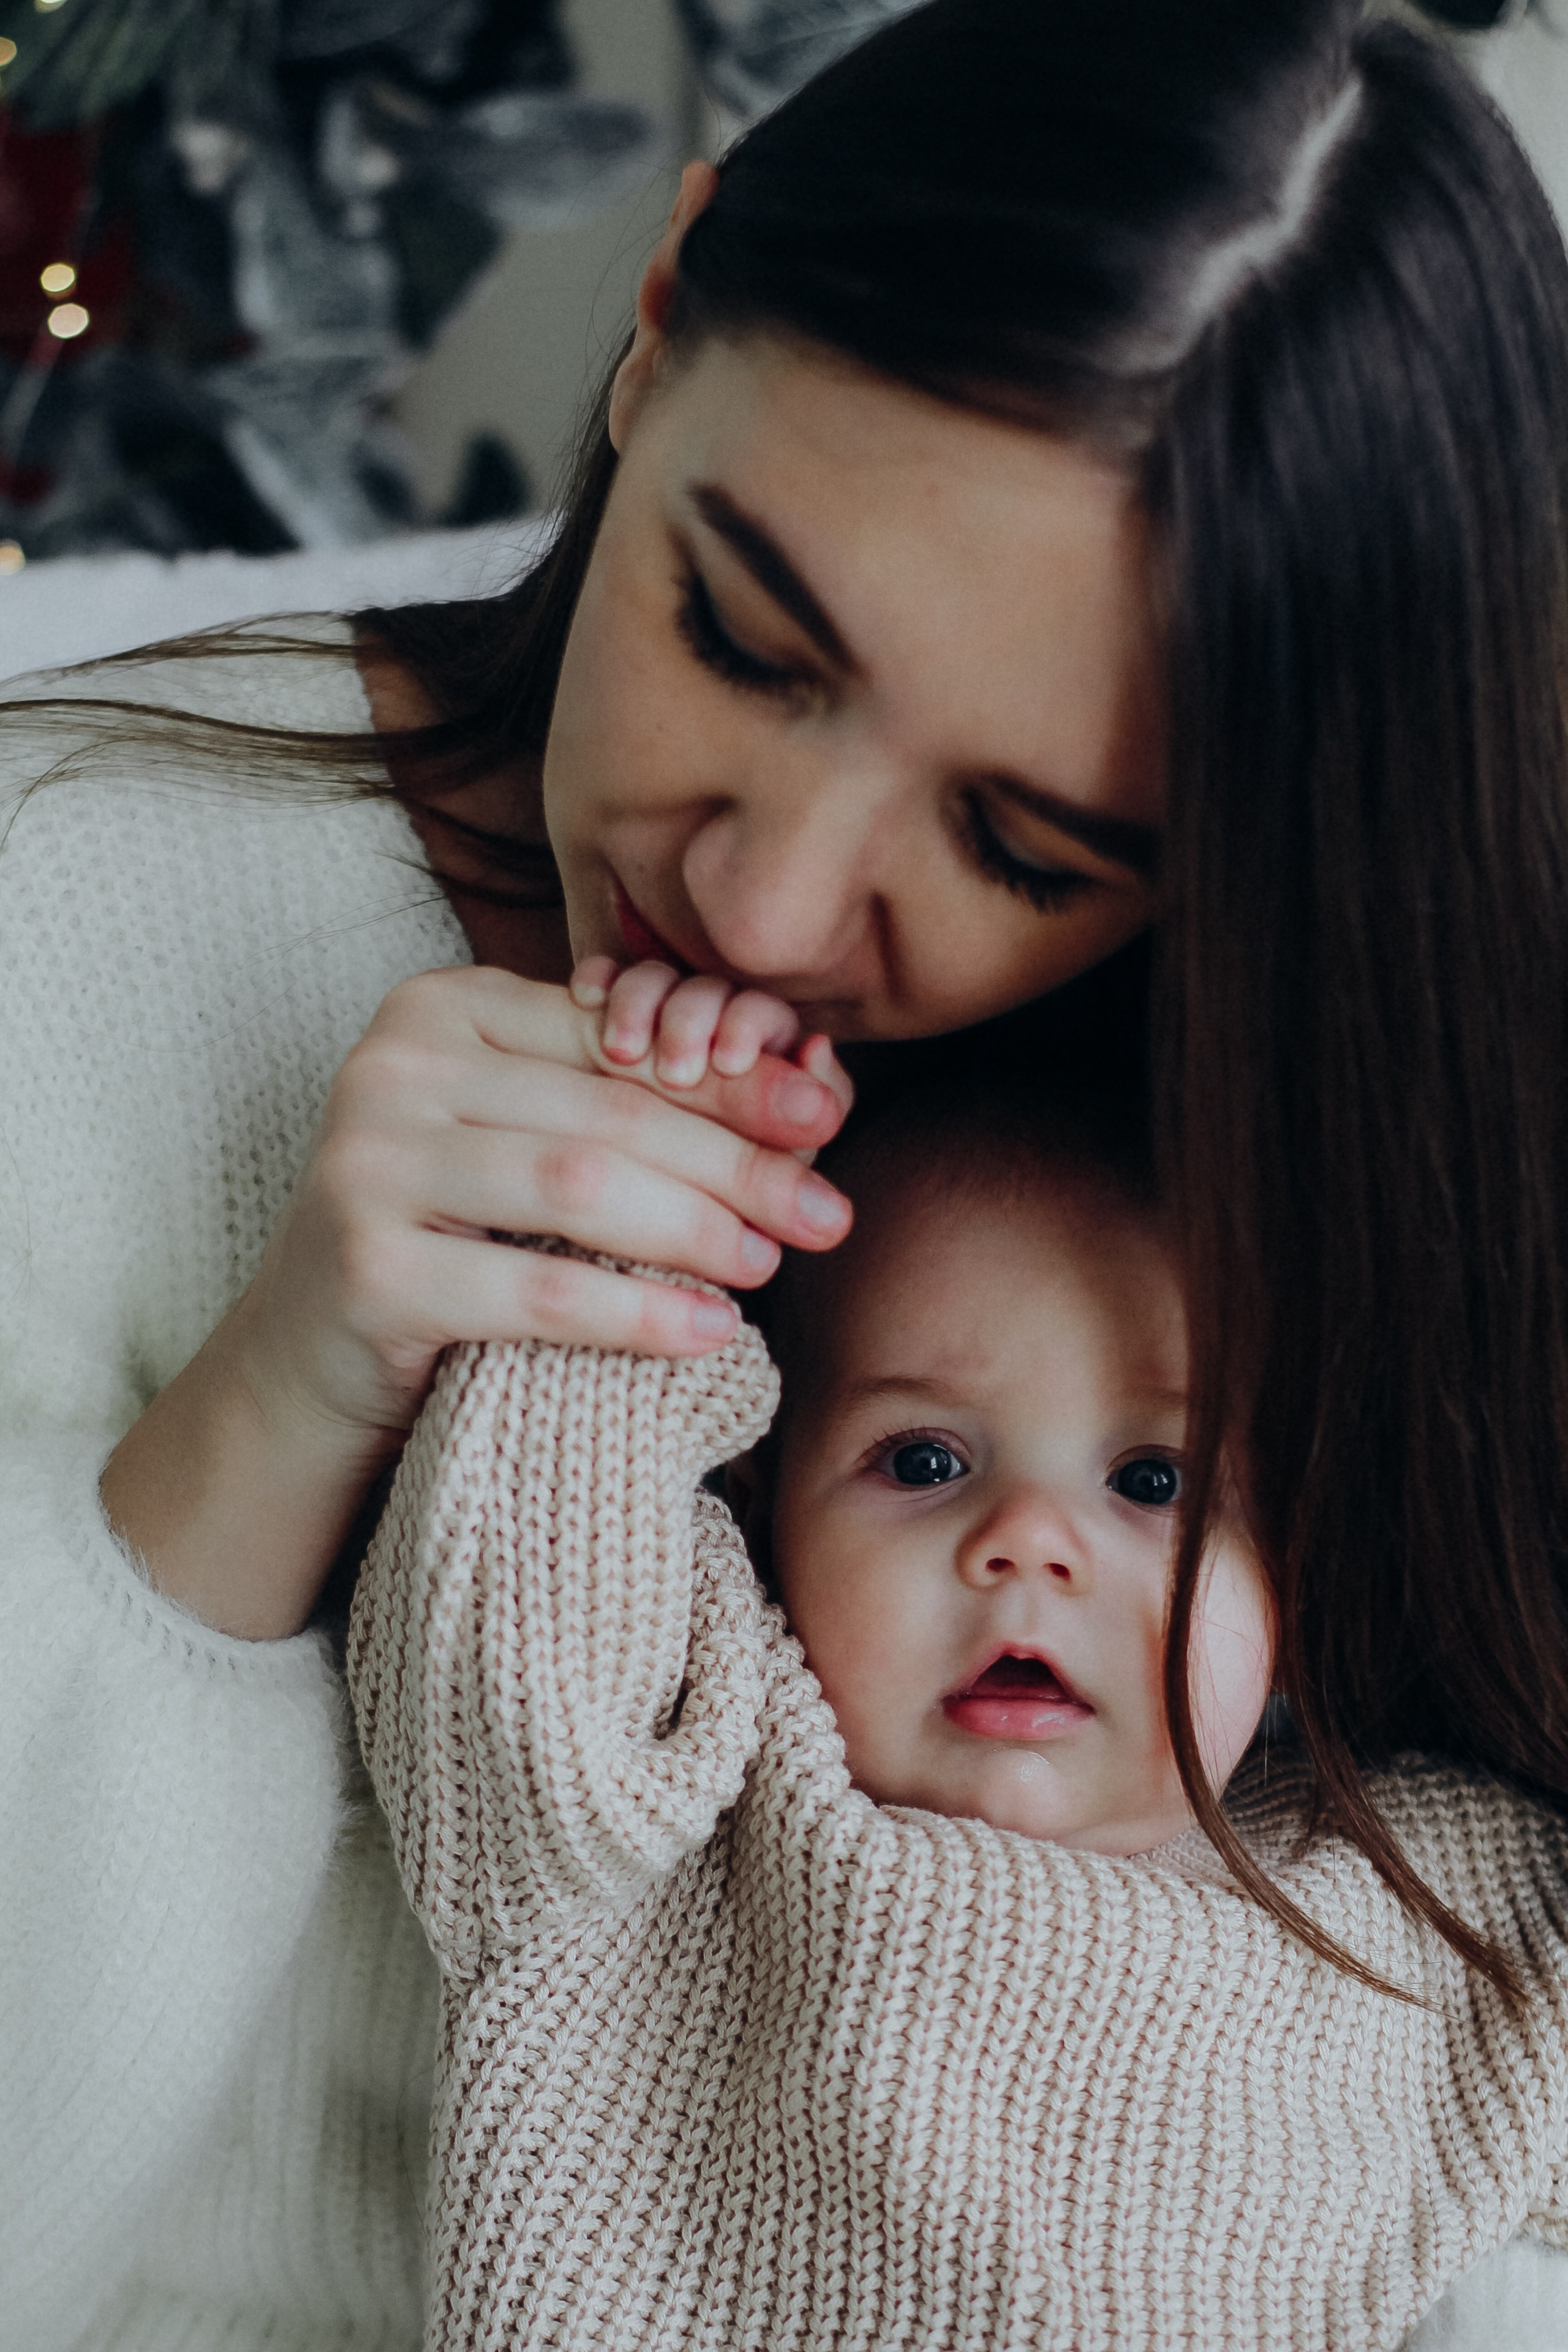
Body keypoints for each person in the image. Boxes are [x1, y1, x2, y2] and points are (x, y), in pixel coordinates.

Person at [4, 0, 1568, 2343]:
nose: (762, 900)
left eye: (1019, 846)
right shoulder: (76, 914)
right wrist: (276, 1408)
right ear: (659, 318)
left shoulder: (1320, 1142)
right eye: (741, 636)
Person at [347, 1057, 1568, 2351]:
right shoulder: (666, 1799)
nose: (1030, 1544)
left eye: (1152, 1480)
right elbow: (515, 1549)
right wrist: (662, 1158)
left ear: (1295, 1578)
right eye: (921, 1462)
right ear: (761, 1504)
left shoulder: (1420, 1901)